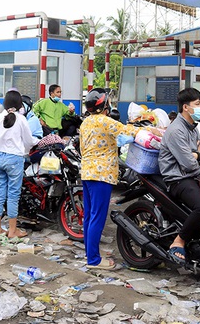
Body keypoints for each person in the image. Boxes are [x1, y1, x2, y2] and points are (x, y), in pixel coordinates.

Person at [80, 88, 147, 269]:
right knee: (97, 217)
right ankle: (93, 260)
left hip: (87, 172)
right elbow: (129, 131)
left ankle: (90, 254)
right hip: (102, 174)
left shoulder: (86, 122)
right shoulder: (105, 121)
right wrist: (151, 129)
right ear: (104, 104)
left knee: (89, 216)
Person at [159, 88, 200, 264]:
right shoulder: (177, 131)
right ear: (186, 107)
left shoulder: (192, 128)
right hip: (178, 179)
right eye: (197, 104)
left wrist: (198, 155)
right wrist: (198, 155)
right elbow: (189, 163)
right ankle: (179, 241)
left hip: (192, 175)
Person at [0, 90, 39, 238]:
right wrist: (25, 150)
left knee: (0, 193)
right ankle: (13, 230)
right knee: (13, 195)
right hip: (15, 159)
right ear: (19, 104)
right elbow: (28, 141)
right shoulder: (21, 119)